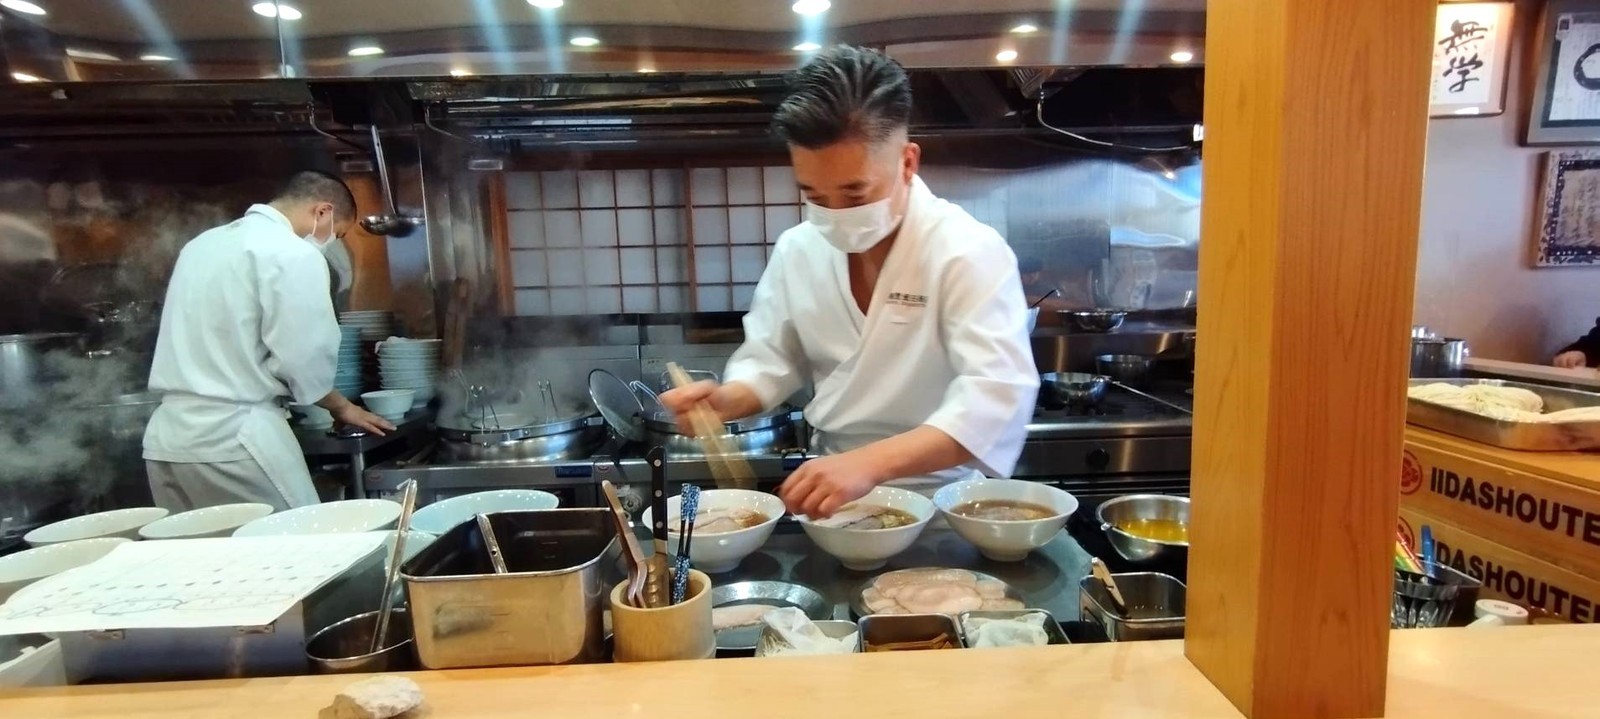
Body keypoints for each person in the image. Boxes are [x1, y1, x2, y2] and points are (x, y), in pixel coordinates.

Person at [660, 46, 1038, 518]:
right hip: (835, 498)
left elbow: (997, 395)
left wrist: (870, 464)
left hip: (942, 500)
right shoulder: (800, 249)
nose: (834, 216)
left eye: (855, 192)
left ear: (907, 162)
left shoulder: (966, 250)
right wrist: (726, 401)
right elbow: (774, 358)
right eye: (813, 195)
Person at [143, 171, 394, 512]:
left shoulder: (201, 245)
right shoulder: (293, 253)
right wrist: (341, 406)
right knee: (296, 552)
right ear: (323, 211)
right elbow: (303, 356)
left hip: (167, 440)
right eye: (338, 234)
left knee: (201, 560)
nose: (331, 243)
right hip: (235, 438)